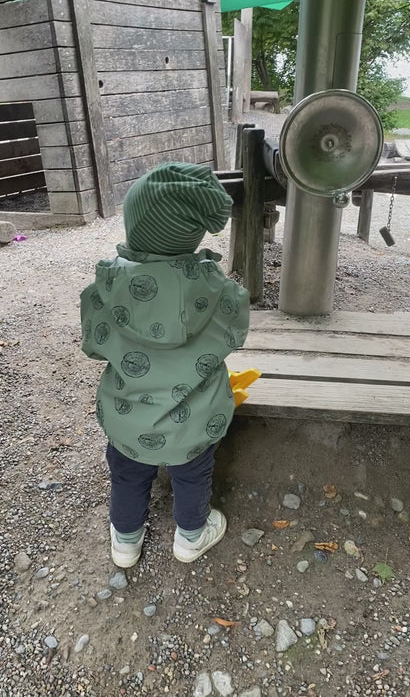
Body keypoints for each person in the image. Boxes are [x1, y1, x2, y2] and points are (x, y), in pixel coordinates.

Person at [80, 162, 250, 568]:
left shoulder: (105, 288)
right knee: (193, 476)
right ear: (189, 235)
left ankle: (126, 540)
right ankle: (191, 536)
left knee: (126, 476)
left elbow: (93, 346)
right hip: (195, 421)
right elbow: (236, 333)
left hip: (128, 419)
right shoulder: (218, 289)